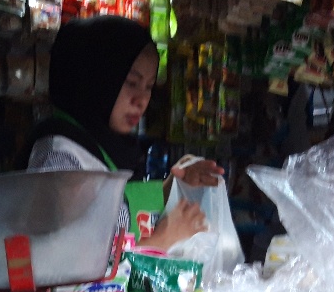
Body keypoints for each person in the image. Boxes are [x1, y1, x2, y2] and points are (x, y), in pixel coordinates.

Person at [23, 15, 223, 250]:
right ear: (93, 79)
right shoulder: (60, 159)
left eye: (148, 86)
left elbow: (115, 209)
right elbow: (65, 261)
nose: (141, 100)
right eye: (131, 83)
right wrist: (162, 240)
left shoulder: (98, 147)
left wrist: (172, 187)